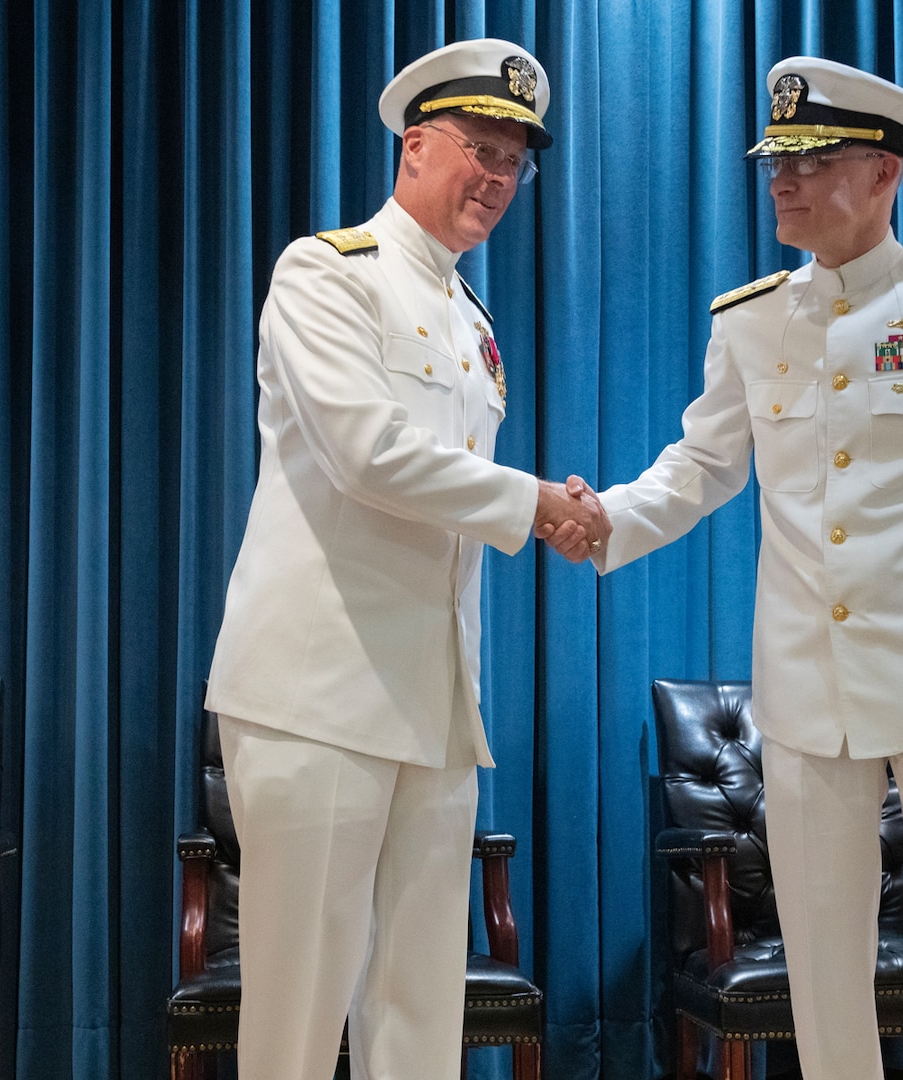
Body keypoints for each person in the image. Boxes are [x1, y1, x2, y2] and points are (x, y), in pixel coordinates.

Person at [554, 56, 903, 1079]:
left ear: (886, 173)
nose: (781, 181)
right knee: (820, 957)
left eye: (811, 159)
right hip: (805, 686)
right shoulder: (751, 319)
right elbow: (703, 465)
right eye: (775, 160)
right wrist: (603, 520)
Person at [205, 38, 607, 1079]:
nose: (497, 179)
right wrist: (537, 504)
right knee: (299, 1011)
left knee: (421, 1007)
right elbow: (368, 455)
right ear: (415, 145)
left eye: (514, 163)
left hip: (433, 704)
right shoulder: (324, 273)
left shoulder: (471, 320)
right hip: (317, 690)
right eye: (479, 149)